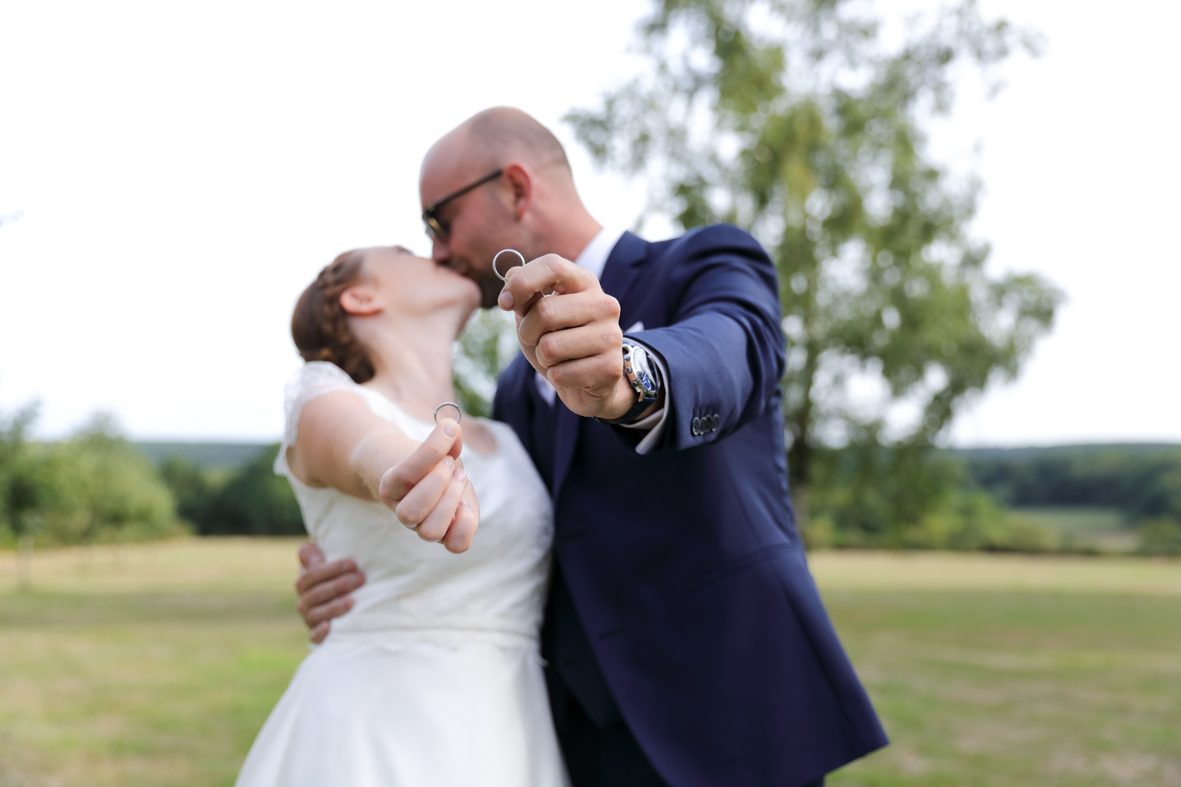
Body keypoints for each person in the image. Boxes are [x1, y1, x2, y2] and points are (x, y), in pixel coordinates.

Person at [297, 107, 889, 786]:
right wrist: (362, 572)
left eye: (438, 222)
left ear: (516, 189)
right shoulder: (513, 388)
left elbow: (732, 352)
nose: (435, 251)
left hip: (726, 715)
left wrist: (630, 375)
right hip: (566, 740)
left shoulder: (697, 263)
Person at [235, 245, 570, 787]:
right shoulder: (325, 398)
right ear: (360, 297)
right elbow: (367, 446)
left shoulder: (510, 436)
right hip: (372, 726)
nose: (437, 252)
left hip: (510, 732)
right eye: (404, 251)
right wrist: (403, 473)